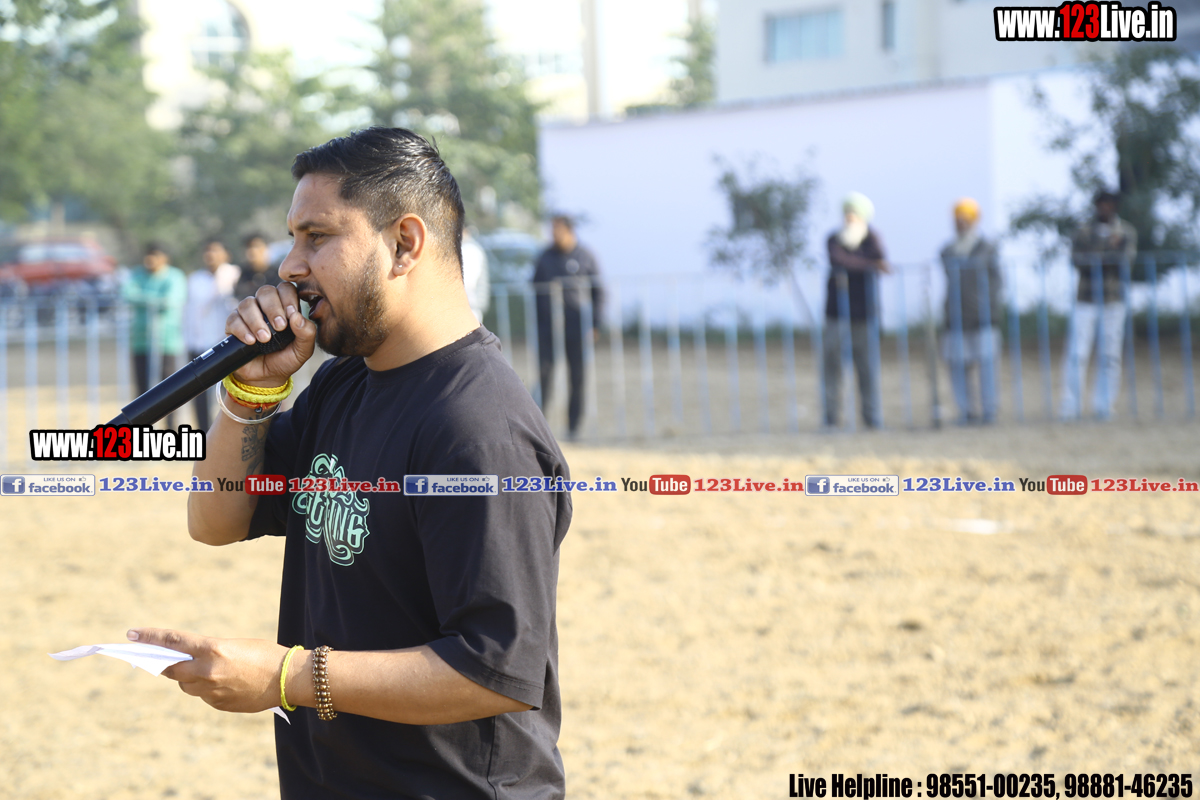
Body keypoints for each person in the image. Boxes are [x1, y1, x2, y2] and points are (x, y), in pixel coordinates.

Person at [126, 127, 571, 800]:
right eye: (292, 238)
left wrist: (286, 677)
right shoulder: (345, 383)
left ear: (405, 244)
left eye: (317, 237)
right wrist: (248, 397)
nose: (289, 267)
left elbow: (496, 670)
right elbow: (216, 520)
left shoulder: (479, 429)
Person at [1060, 189, 1137, 421]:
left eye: (1109, 204)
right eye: (1102, 204)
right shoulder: (1083, 231)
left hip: (1113, 299)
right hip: (1086, 299)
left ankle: (1104, 405)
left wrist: (1100, 256)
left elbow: (1125, 261)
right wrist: (1108, 250)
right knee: (1077, 353)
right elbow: (1078, 260)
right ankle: (1071, 406)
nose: (1105, 208)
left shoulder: (1125, 231)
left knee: (1110, 355)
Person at [822, 192, 889, 429]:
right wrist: (870, 265)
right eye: (847, 212)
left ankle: (872, 418)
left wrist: (868, 263)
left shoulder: (872, 238)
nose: (849, 217)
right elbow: (840, 260)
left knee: (867, 368)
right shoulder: (834, 238)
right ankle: (831, 418)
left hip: (865, 313)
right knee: (832, 366)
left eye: (854, 213)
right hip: (836, 314)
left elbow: (880, 258)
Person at [532, 215, 604, 439]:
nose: (554, 235)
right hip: (548, 329)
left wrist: (595, 324)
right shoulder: (544, 257)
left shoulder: (586, 256)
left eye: (558, 231)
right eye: (552, 230)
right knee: (544, 376)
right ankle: (537, 429)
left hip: (577, 327)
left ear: (570, 231)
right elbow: (534, 290)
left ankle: (573, 428)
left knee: (577, 378)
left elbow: (599, 292)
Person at [940, 198, 1004, 424]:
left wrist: (990, 306)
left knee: (988, 366)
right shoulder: (948, 250)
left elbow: (997, 281)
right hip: (956, 317)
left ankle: (989, 410)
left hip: (983, 317)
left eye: (965, 219)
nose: (961, 224)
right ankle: (966, 411)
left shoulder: (987, 248)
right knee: (957, 366)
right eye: (958, 220)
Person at [121, 242, 186, 427]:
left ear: (164, 258)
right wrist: (154, 301)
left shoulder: (174, 276)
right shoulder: (137, 274)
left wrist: (144, 299)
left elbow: (170, 301)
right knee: (142, 393)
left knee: (171, 391)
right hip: (141, 341)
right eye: (148, 255)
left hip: (167, 342)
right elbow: (127, 294)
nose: (150, 260)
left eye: (155, 255)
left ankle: (171, 430)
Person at [183, 238, 240, 430]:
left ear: (226, 254)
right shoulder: (195, 279)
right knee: (199, 395)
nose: (210, 255)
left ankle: (228, 433)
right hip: (200, 343)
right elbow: (190, 312)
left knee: (230, 395)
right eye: (207, 251)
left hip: (228, 345)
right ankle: (204, 434)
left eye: (215, 250)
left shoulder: (234, 274)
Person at [234, 232, 281, 300]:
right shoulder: (244, 274)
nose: (253, 251)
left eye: (257, 246)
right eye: (249, 247)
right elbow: (239, 295)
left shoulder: (277, 273)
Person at [462, 227, 491, 323]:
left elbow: (468, 281)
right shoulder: (473, 248)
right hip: (472, 306)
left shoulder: (470, 249)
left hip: (471, 305)